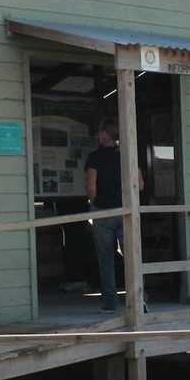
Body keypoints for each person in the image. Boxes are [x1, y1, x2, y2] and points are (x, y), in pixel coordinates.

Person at [84, 118, 143, 313]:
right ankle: (139, 301)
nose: (98, 136)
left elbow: (91, 187)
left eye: (100, 132)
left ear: (105, 135)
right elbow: (140, 184)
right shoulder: (128, 155)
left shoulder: (95, 157)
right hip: (126, 209)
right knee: (132, 257)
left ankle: (110, 302)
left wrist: (94, 202)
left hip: (103, 211)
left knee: (106, 258)